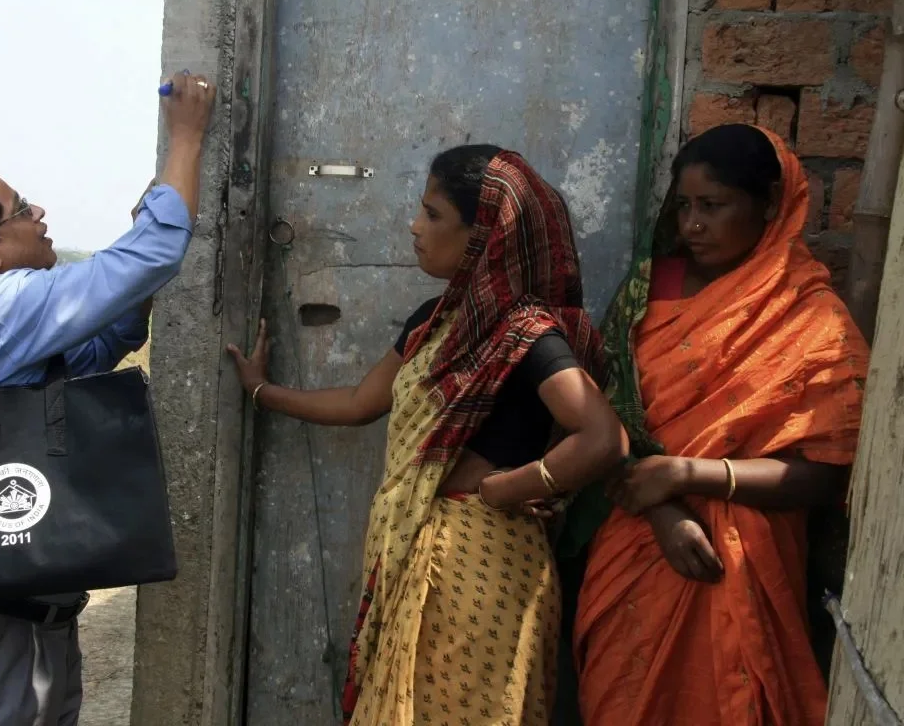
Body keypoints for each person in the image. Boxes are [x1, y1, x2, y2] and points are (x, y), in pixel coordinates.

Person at [226, 145, 628, 726]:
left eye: (433, 215)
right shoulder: (435, 320)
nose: (415, 227)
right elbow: (361, 402)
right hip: (418, 549)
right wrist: (263, 391)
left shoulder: (528, 334)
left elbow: (603, 438)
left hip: (483, 563)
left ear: (484, 234)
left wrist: (506, 490)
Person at [0, 71, 214, 725]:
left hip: (16, 623)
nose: (40, 216)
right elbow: (152, 255)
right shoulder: (1, 306)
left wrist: (129, 283)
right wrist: (187, 137)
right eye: (22, 211)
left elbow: (97, 350)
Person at [570, 124, 870, 725]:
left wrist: (690, 474)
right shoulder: (645, 293)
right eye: (683, 206)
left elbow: (823, 477)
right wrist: (661, 508)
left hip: (742, 561)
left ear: (768, 206)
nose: (692, 226)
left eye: (713, 206)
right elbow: (605, 415)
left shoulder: (811, 320)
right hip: (636, 543)